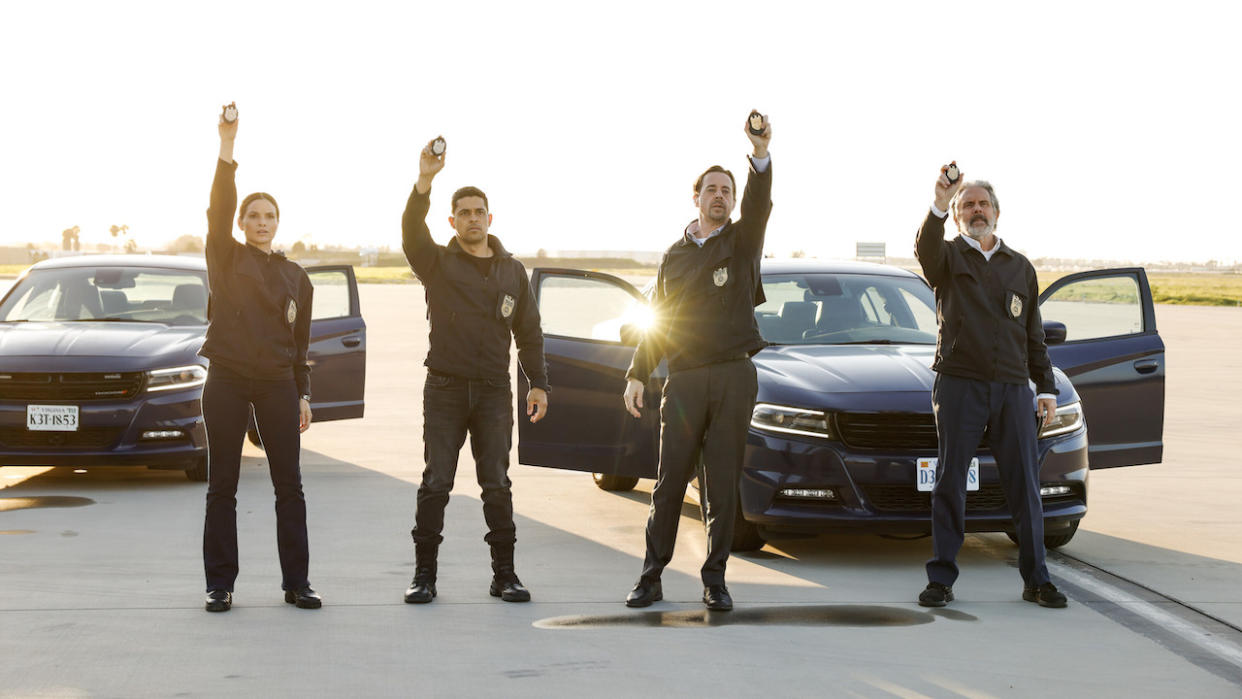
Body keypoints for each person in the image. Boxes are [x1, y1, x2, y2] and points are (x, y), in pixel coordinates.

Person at [621, 112, 773, 612]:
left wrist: (758, 155)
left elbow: (758, 202)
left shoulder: (743, 240)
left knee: (722, 484)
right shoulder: (674, 256)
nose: (721, 196)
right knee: (668, 482)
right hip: (684, 380)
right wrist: (639, 373)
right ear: (697, 197)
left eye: (727, 190)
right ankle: (651, 576)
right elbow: (658, 319)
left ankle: (715, 580)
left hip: (733, 374)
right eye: (712, 189)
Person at [400, 137, 550, 604]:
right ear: (452, 221)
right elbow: (410, 232)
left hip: (492, 392)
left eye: (477, 211)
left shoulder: (512, 272)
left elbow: (529, 331)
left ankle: (504, 575)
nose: (471, 218)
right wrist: (424, 181)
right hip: (444, 388)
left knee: (497, 484)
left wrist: (538, 382)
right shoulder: (438, 264)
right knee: (437, 482)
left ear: (490, 217)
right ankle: (425, 576)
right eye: (462, 212)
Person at [914, 166, 1068, 609]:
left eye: (982, 204)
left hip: (1012, 389)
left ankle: (1037, 579)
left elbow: (1032, 333)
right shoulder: (946, 258)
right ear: (958, 215)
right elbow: (925, 248)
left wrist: (1046, 387)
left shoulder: (1019, 267)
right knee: (950, 482)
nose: (976, 210)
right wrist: (938, 203)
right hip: (959, 384)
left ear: (997, 213)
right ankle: (941, 579)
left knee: (1024, 486)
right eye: (968, 205)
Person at [200, 104, 319, 613]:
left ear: (278, 223)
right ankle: (220, 585)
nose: (261, 222)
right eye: (253, 216)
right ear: (242, 223)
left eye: (269, 216)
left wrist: (304, 395)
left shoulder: (298, 277)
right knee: (221, 484)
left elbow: (300, 345)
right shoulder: (224, 257)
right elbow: (218, 207)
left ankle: (297, 583)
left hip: (275, 383)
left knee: (288, 486)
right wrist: (227, 149)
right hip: (226, 379)